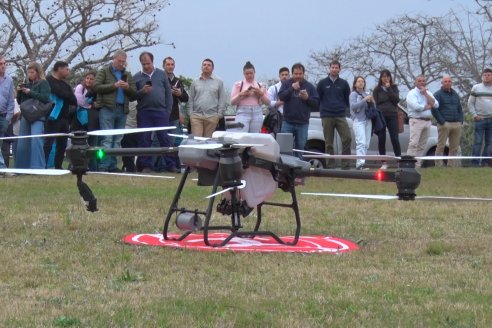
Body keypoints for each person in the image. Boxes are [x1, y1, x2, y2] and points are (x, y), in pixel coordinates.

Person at [93, 49, 137, 172]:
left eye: (124, 62)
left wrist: (127, 87)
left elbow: (134, 94)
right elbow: (96, 87)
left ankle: (112, 165)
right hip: (107, 109)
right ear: (114, 59)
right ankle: (102, 165)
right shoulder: (104, 71)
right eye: (120, 61)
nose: (122, 64)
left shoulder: (127, 75)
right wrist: (114, 86)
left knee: (117, 140)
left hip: (122, 110)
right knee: (106, 138)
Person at [132, 51, 174, 173]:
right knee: (144, 139)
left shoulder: (161, 74)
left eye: (148, 63)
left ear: (153, 62)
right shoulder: (136, 77)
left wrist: (167, 112)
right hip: (144, 112)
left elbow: (168, 95)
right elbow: (132, 96)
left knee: (164, 139)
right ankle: (146, 165)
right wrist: (142, 92)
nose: (146, 66)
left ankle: (170, 165)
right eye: (143, 64)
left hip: (161, 112)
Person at [15, 62, 51, 169]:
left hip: (38, 114)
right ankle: (21, 168)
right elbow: (20, 102)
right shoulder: (26, 84)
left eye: (32, 72)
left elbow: (45, 98)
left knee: (36, 140)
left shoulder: (44, 83)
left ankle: (38, 167)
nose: (30, 74)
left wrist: (30, 92)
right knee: (23, 141)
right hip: (26, 115)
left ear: (37, 72)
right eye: (28, 72)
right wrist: (20, 92)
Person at [278, 63, 319, 157]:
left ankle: (298, 170)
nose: (298, 76)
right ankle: (285, 169)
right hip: (288, 122)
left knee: (300, 149)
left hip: (303, 123)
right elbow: (281, 96)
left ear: (303, 74)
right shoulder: (286, 84)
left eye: (300, 74)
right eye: (296, 74)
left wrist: (307, 98)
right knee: (284, 149)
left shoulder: (309, 86)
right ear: (292, 74)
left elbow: (316, 104)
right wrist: (291, 88)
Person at [316, 59, 351, 169]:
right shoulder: (322, 83)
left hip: (340, 115)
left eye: (336, 67)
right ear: (329, 68)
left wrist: (344, 110)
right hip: (327, 115)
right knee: (328, 142)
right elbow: (318, 99)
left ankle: (345, 165)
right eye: (332, 67)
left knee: (347, 138)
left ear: (339, 69)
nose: (334, 69)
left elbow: (347, 100)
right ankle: (330, 166)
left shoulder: (344, 84)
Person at [45, 61, 77, 169]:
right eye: (66, 69)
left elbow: (73, 100)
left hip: (65, 118)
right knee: (48, 142)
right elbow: (57, 91)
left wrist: (65, 95)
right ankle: (44, 165)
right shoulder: (48, 80)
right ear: (59, 69)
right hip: (52, 117)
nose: (68, 71)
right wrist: (66, 95)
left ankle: (58, 166)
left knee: (62, 144)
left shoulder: (66, 85)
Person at [187, 58, 226, 137]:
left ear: (212, 68)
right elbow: (190, 99)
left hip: (212, 116)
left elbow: (222, 99)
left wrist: (219, 115)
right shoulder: (195, 81)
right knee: (197, 141)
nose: (206, 66)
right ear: (201, 67)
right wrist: (190, 114)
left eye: (209, 65)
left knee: (208, 142)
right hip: (196, 116)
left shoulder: (219, 81)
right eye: (204, 65)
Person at [406, 75, 439, 167]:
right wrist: (427, 106)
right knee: (413, 143)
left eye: (423, 81)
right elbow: (416, 107)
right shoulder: (412, 93)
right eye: (419, 81)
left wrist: (426, 94)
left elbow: (436, 104)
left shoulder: (428, 93)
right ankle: (409, 164)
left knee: (422, 145)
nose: (421, 82)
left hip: (427, 121)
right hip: (416, 121)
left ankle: (417, 164)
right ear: (415, 83)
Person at [162, 56, 189, 170]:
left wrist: (179, 94)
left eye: (172, 64)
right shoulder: (159, 78)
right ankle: (160, 165)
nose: (170, 66)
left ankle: (171, 165)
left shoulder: (177, 81)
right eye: (168, 64)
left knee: (172, 142)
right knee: (160, 142)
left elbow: (186, 98)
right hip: (161, 114)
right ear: (163, 66)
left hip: (173, 115)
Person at [372, 69, 401, 170]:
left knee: (395, 138)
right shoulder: (377, 89)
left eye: (387, 76)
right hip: (381, 116)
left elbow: (396, 100)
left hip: (392, 115)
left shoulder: (394, 87)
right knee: (381, 138)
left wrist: (389, 89)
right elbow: (376, 102)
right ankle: (384, 162)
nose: (386, 78)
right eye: (384, 76)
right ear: (381, 78)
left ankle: (398, 160)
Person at [432, 75, 463, 167]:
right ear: (442, 83)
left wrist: (460, 120)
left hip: (456, 123)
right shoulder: (437, 94)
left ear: (451, 83)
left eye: (449, 81)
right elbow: (434, 110)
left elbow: (459, 108)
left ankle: (451, 166)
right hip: (444, 124)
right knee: (441, 146)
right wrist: (442, 122)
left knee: (454, 147)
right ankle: (438, 165)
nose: (447, 83)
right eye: (445, 81)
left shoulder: (455, 94)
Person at [230, 61, 270, 133]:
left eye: (251, 73)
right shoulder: (238, 84)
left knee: (255, 136)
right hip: (242, 112)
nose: (249, 75)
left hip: (257, 111)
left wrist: (261, 94)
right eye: (247, 73)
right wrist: (241, 94)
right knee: (241, 136)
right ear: (243, 74)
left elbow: (268, 102)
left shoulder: (260, 85)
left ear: (254, 72)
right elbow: (232, 102)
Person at [74, 71, 98, 170]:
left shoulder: (97, 90)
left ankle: (93, 166)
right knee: (79, 143)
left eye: (91, 79)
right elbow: (79, 101)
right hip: (79, 119)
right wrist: (90, 105)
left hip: (93, 119)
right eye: (87, 78)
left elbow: (99, 103)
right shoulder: (80, 87)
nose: (89, 80)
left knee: (93, 143)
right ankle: (77, 165)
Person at [468, 68, 492, 167]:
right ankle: (475, 163)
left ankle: (485, 163)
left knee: (490, 143)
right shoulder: (476, 88)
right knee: (478, 142)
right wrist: (474, 115)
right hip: (480, 119)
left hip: (491, 119)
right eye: (485, 75)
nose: (487, 77)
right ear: (482, 76)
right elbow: (470, 103)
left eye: (489, 75)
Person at [349, 76, 373, 170]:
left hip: (368, 120)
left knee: (366, 143)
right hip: (358, 120)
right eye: (358, 81)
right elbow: (353, 106)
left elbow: (370, 107)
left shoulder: (366, 93)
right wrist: (364, 100)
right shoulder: (353, 94)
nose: (361, 83)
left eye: (362, 81)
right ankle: (359, 164)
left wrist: (371, 101)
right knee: (361, 142)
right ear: (355, 84)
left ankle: (363, 162)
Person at [0, 56, 15, 170]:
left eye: (4, 63)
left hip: (4, 116)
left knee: (2, 144)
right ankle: (3, 167)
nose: (3, 66)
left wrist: (8, 118)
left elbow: (11, 101)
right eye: (1, 64)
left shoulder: (9, 80)